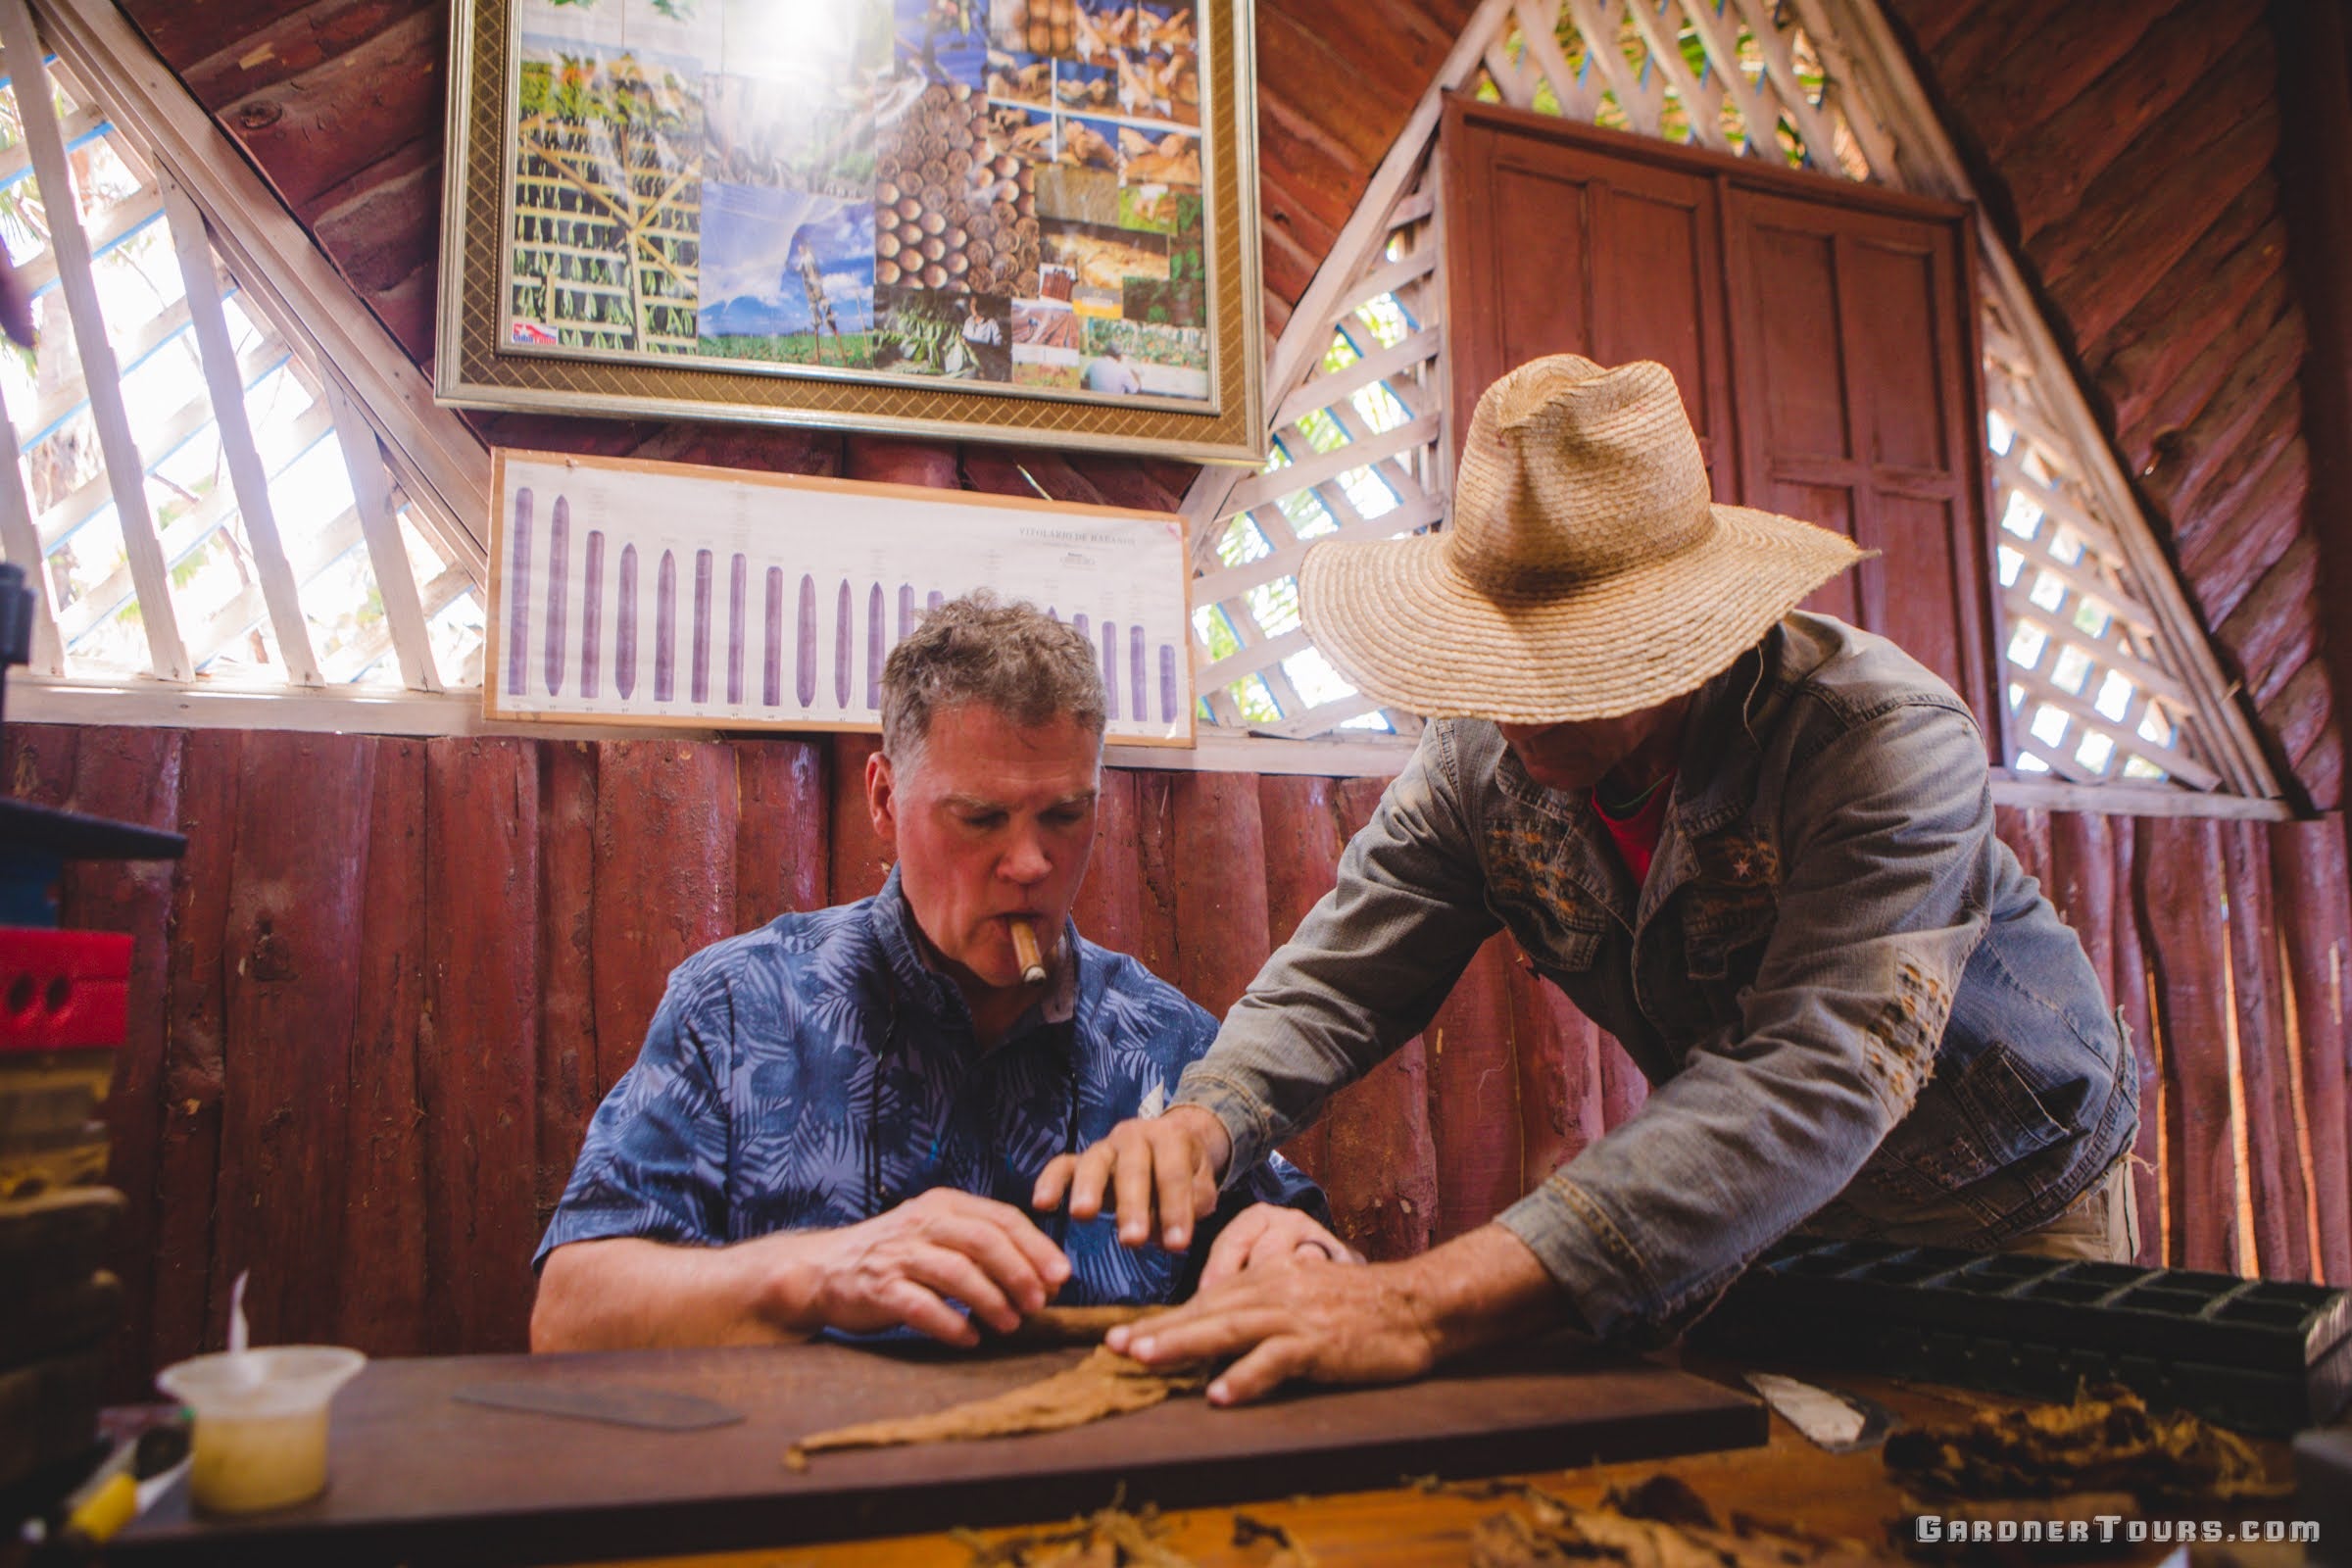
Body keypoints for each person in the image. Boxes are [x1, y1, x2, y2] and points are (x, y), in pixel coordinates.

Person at [1034, 355, 2140, 1405]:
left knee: (2022, 1508)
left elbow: (1820, 1068)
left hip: (2003, 1197)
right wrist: (1207, 1119)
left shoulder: (1875, 742)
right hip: (1756, 1211)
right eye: (1499, 657)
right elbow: (1344, 969)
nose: (1521, 705)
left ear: (1690, 638)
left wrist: (1419, 1301)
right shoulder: (1478, 762)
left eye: (1572, 664)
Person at [533, 595, 1345, 1351]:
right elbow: (569, 1315)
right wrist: (813, 1273)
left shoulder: (1167, 1042)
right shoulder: (739, 1008)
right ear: (884, 799)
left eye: (1066, 815)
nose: (1029, 863)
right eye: (981, 818)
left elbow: (1305, 1263)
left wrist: (1293, 1256)